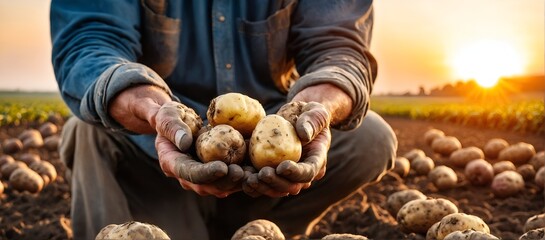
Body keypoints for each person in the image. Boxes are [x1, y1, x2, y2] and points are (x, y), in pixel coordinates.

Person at [50, 0, 397, 239]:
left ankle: (260, 228)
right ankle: (178, 223)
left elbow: (338, 46)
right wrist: (151, 108)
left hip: (272, 162)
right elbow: (88, 43)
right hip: (157, 151)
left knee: (372, 138)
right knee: (86, 130)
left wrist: (318, 105)